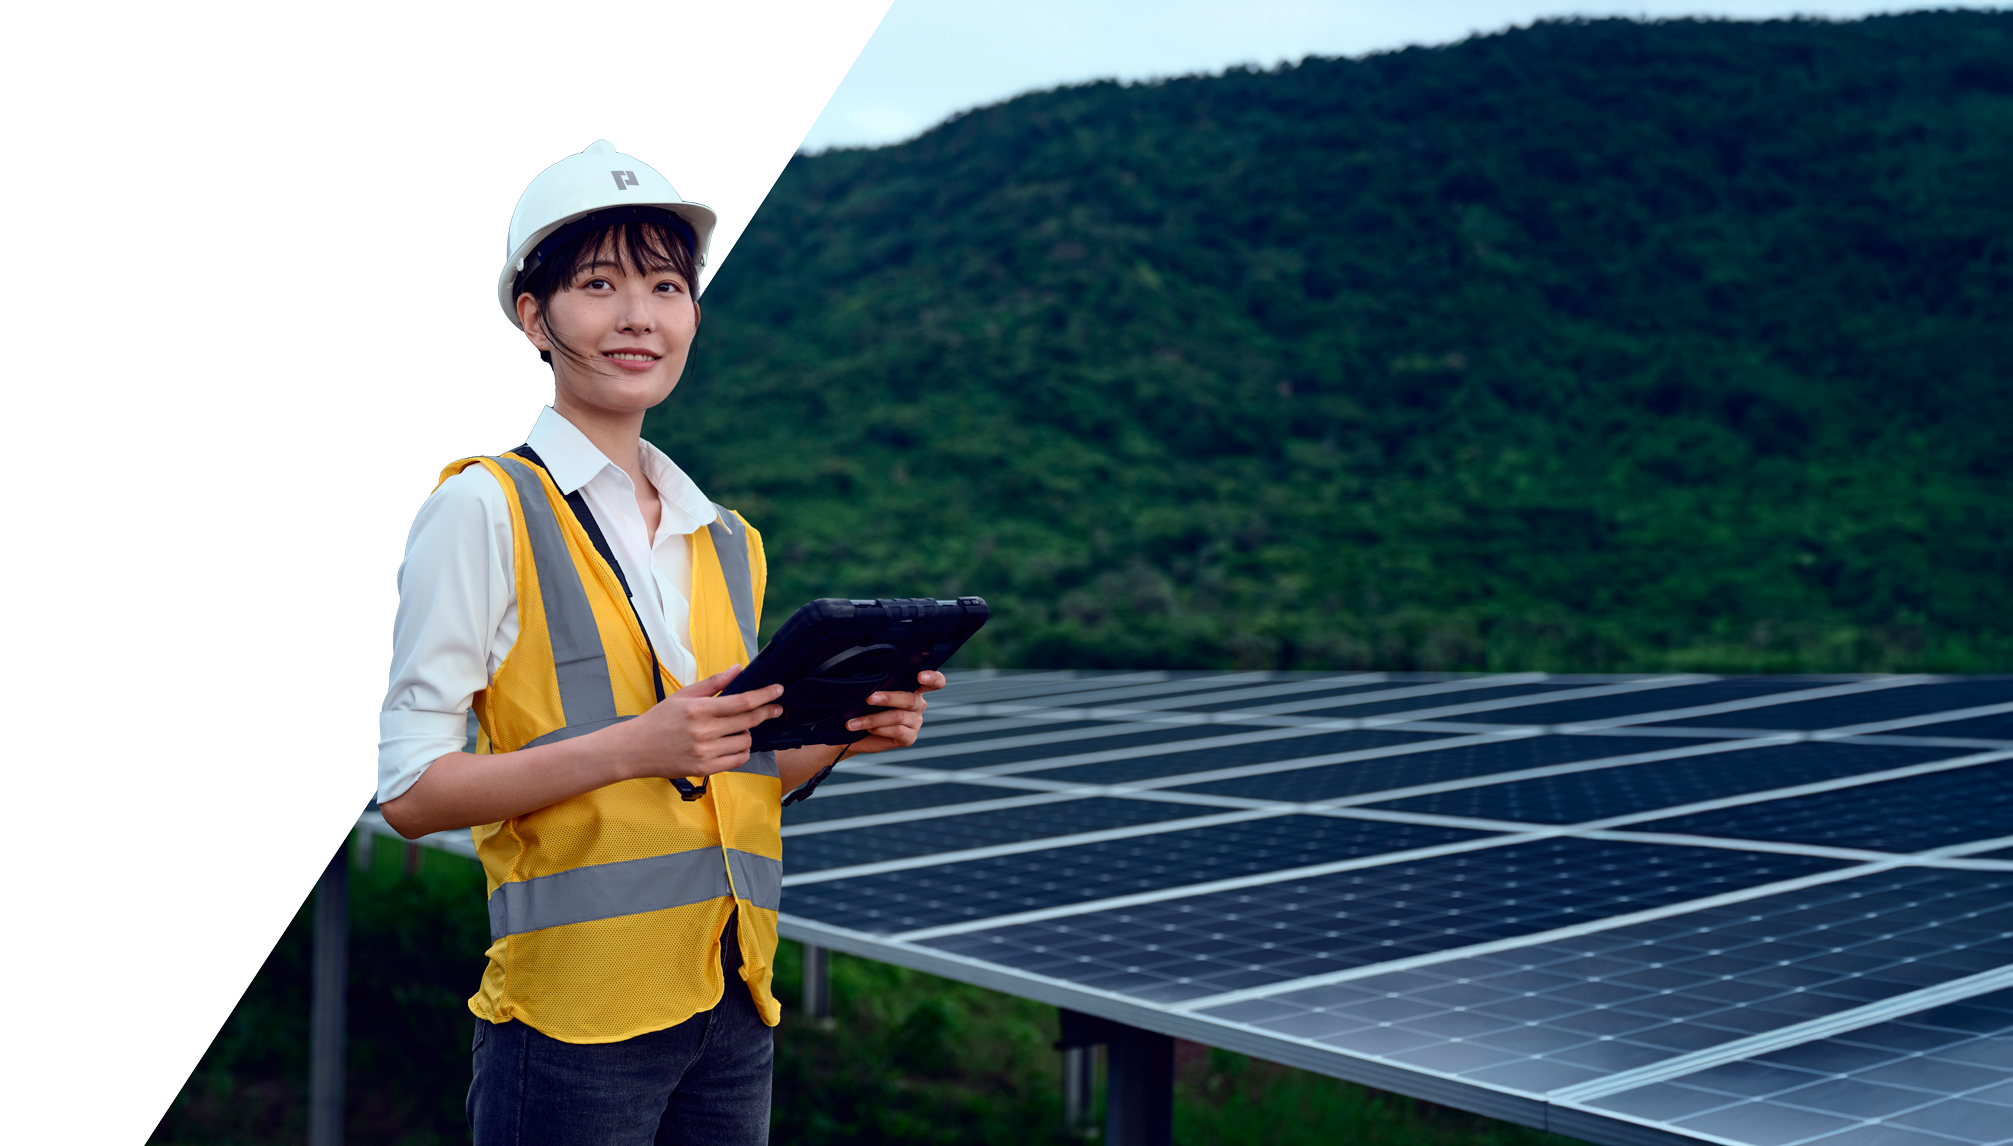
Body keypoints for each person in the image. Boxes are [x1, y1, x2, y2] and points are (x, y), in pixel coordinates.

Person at [376, 138, 944, 1146]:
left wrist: (849, 733)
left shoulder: (727, 539)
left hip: (732, 1004)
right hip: (570, 1025)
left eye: (669, 286)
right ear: (533, 314)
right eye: (599, 284)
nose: (641, 316)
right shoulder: (483, 509)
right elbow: (413, 793)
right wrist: (638, 745)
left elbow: (727, 776)